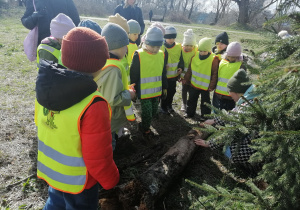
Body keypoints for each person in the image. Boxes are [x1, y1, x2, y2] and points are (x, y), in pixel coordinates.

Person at [35, 27, 119, 209]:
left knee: (55, 203)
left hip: (52, 171)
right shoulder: (94, 103)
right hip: (80, 181)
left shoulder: (45, 88)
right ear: (98, 64)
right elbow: (98, 155)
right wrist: (111, 179)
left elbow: (41, 124)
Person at [194, 69, 259, 169]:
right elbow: (234, 114)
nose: (229, 95)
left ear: (237, 92)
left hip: (253, 146)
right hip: (251, 139)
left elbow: (232, 131)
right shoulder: (249, 97)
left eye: (230, 92)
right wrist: (214, 120)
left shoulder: (249, 107)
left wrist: (209, 144)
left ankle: (248, 164)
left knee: (227, 151)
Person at [95, 23, 136, 150]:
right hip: (110, 118)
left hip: (106, 116)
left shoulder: (104, 62)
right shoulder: (113, 69)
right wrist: (129, 94)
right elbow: (112, 98)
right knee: (109, 144)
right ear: (117, 47)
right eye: (125, 46)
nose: (126, 50)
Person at [130, 26, 168, 138]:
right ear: (146, 43)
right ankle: (145, 128)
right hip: (144, 91)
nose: (155, 49)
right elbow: (134, 74)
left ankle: (146, 123)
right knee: (147, 112)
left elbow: (163, 72)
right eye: (153, 46)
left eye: (158, 46)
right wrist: (134, 89)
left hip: (156, 91)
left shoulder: (161, 54)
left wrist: (164, 87)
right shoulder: (139, 55)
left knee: (154, 110)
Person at [184, 37, 219, 120]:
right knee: (191, 99)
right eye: (201, 51)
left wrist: (212, 86)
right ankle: (189, 113)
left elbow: (215, 74)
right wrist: (186, 78)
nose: (202, 53)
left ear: (209, 50)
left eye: (205, 51)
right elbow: (190, 69)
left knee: (205, 102)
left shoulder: (213, 59)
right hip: (194, 84)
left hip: (205, 87)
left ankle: (205, 116)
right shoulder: (195, 56)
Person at [213, 42, 246, 111]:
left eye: (233, 57)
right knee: (216, 111)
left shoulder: (240, 65)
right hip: (218, 94)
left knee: (227, 114)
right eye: (229, 56)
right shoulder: (222, 62)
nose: (231, 58)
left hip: (230, 97)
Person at [160, 26, 184, 114]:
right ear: (165, 37)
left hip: (174, 76)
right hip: (165, 76)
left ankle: (169, 105)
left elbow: (181, 59)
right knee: (164, 91)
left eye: (173, 38)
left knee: (172, 91)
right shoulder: (162, 47)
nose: (171, 40)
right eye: (169, 38)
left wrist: (181, 67)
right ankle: (163, 106)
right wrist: (163, 67)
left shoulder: (178, 47)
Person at [180, 29, 197, 111]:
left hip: (193, 75)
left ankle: (189, 104)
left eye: (191, 46)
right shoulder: (181, 50)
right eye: (186, 45)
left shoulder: (196, 51)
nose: (188, 47)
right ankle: (184, 103)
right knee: (184, 89)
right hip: (184, 75)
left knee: (191, 90)